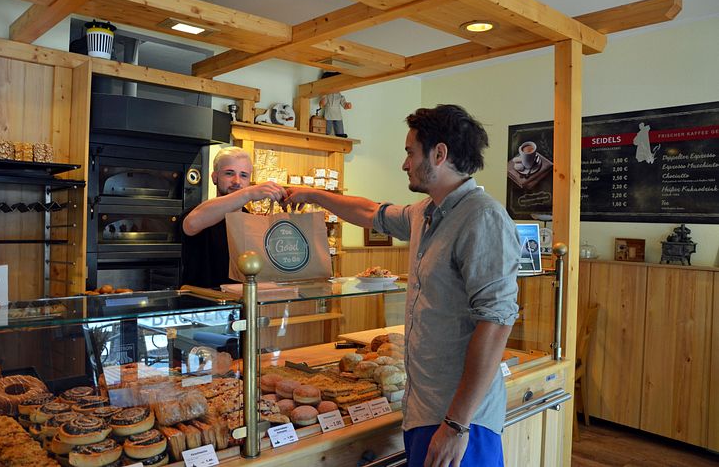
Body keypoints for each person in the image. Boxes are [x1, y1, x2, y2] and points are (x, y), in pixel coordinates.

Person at [284, 104, 519, 466]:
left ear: (439, 154)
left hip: (462, 420)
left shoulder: (482, 217)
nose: (404, 163)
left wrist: (456, 425)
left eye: (410, 152)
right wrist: (312, 196)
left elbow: (496, 323)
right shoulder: (425, 212)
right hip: (424, 409)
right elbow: (369, 212)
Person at [181, 146, 286, 288]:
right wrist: (247, 194)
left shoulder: (252, 222)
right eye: (229, 173)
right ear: (214, 177)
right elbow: (191, 224)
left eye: (243, 175)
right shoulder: (200, 212)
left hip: (243, 304)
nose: (237, 181)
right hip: (203, 304)